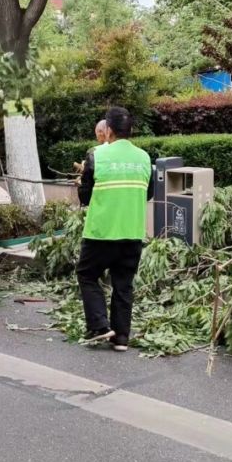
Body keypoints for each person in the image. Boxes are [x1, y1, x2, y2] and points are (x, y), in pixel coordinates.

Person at [76, 107, 153, 352]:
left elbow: (85, 196)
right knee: (123, 284)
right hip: (132, 232)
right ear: (131, 130)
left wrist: (83, 182)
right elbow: (148, 193)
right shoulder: (144, 158)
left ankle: (99, 326)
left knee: (87, 275)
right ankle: (121, 337)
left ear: (108, 130)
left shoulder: (96, 155)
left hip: (101, 232)